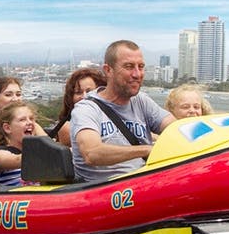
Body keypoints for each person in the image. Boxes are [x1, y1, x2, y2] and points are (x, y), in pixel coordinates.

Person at [70, 40, 172, 183]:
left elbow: (175, 127)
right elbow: (91, 153)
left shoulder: (141, 101)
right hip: (104, 188)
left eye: (141, 67)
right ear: (108, 70)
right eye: (129, 67)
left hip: (143, 182)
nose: (137, 74)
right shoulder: (86, 109)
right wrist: (147, 150)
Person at [48, 66, 106, 148]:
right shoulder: (68, 127)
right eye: (78, 92)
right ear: (71, 97)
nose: (84, 96)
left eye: (89, 91)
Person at [0, 103, 41, 187]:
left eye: (31, 119)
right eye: (22, 120)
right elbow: (19, 160)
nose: (29, 122)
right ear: (7, 128)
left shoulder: (38, 153)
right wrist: (46, 149)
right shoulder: (0, 155)